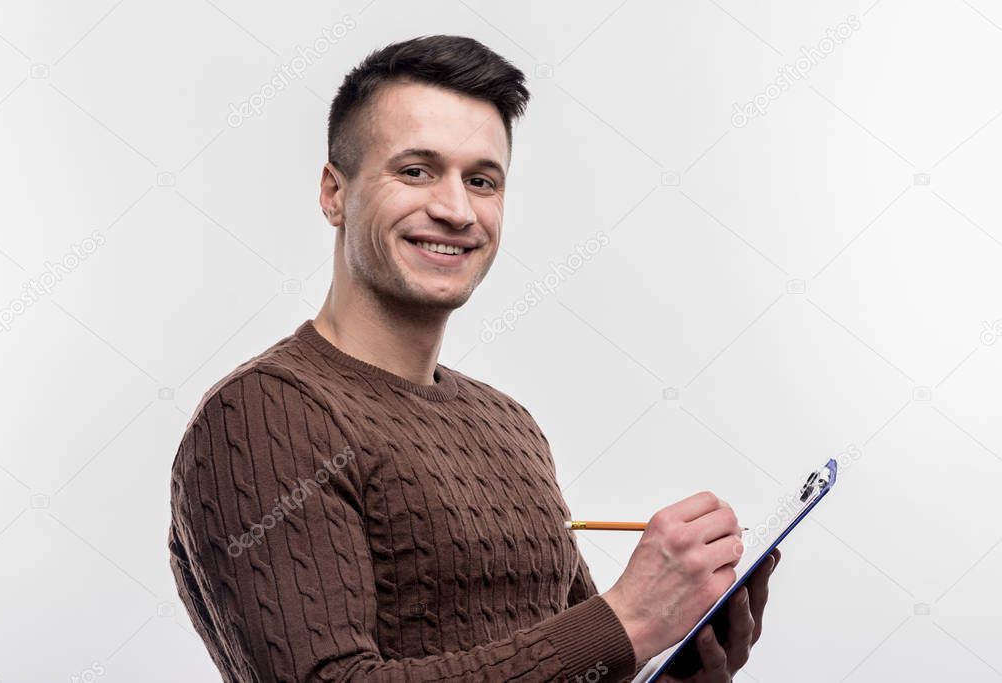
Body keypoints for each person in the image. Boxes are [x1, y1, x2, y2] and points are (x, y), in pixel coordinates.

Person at [167, 34, 779, 683]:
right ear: (333, 193)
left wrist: (672, 667)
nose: (455, 209)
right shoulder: (263, 413)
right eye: (415, 170)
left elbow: (582, 664)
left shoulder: (509, 423)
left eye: (481, 180)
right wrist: (625, 618)